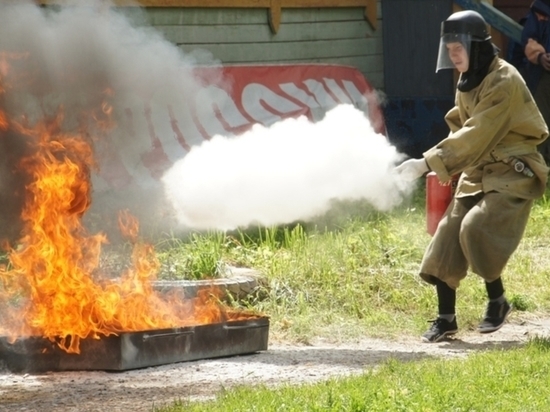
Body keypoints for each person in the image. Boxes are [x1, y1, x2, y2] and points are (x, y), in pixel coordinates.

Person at [395, 10, 549, 343]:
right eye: (447, 50)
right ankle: (446, 319)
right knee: (445, 239)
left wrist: (426, 163)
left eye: (457, 49)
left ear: (476, 47)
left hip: (513, 171)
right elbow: (458, 126)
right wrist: (449, 166)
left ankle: (498, 300)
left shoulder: (504, 81)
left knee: (475, 228)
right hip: (477, 170)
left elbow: (476, 134)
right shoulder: (468, 81)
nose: (452, 57)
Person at [522, 0, 550, 163]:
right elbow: (529, 40)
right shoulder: (539, 12)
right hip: (543, 76)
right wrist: (540, 56)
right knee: (541, 119)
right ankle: (540, 161)